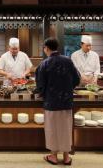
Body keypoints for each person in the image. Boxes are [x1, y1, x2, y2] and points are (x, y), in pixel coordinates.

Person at [36, 37, 80, 165]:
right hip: (66, 101)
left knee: (52, 128)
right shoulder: (68, 61)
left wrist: (42, 93)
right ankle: (66, 157)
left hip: (51, 102)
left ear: (46, 48)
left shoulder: (44, 64)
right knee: (65, 128)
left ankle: (53, 156)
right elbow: (77, 79)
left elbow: (40, 86)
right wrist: (66, 88)